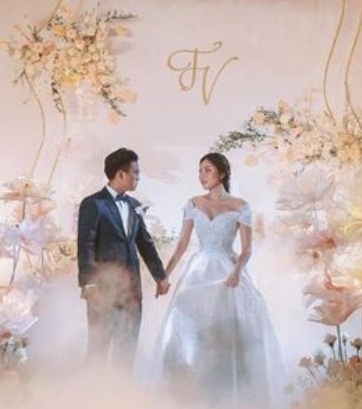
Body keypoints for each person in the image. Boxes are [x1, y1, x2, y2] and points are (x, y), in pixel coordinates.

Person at [152, 152, 287, 406]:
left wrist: (236, 272)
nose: (202, 176)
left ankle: (227, 392)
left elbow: (247, 249)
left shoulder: (240, 206)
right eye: (200, 170)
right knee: (189, 327)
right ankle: (191, 392)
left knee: (228, 330)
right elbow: (182, 244)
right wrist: (164, 275)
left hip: (227, 270)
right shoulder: (193, 204)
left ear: (222, 174)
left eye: (208, 170)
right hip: (198, 271)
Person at [77, 147, 170, 366]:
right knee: (98, 348)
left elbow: (145, 243)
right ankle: (89, 396)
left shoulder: (134, 205)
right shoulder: (93, 204)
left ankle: (122, 396)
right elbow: (85, 245)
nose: (139, 177)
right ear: (121, 174)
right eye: (135, 173)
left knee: (127, 349)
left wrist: (160, 276)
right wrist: (89, 284)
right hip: (102, 289)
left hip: (132, 290)